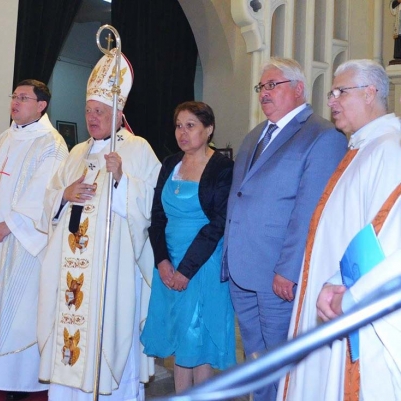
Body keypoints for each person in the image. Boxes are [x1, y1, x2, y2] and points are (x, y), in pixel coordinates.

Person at [37, 49, 160, 401]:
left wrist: (121, 179)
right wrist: (64, 195)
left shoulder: (138, 150)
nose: (92, 117)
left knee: (110, 336)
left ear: (119, 115)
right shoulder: (76, 153)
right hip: (72, 273)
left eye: (100, 112)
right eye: (89, 110)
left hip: (113, 273)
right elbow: (49, 201)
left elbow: (150, 207)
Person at [222, 57, 347, 401]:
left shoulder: (322, 136)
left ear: (298, 89)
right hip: (242, 270)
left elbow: (309, 211)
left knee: (284, 365)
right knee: (256, 361)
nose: (264, 93)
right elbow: (240, 198)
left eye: (272, 85)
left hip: (278, 275)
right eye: (261, 87)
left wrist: (289, 270)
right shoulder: (254, 136)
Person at [280, 59, 401, 401]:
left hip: (347, 299)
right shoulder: (364, 146)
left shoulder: (389, 149)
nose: (331, 100)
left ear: (369, 93)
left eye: (339, 92)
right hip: (331, 294)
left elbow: (381, 244)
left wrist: (342, 289)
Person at [0, 79, 68, 400]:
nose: (16, 102)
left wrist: (8, 226)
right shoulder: (4, 138)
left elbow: (44, 195)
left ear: (41, 105)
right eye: (14, 96)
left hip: (23, 242)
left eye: (24, 98)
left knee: (20, 309)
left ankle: (19, 381)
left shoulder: (52, 144)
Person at [140, 101, 236, 393]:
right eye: (179, 126)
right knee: (183, 339)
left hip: (201, 262)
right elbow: (156, 216)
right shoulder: (170, 163)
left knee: (198, 339)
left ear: (209, 130)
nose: (182, 132)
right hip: (169, 262)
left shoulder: (223, 167)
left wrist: (186, 270)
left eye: (190, 125)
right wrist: (162, 261)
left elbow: (218, 223)